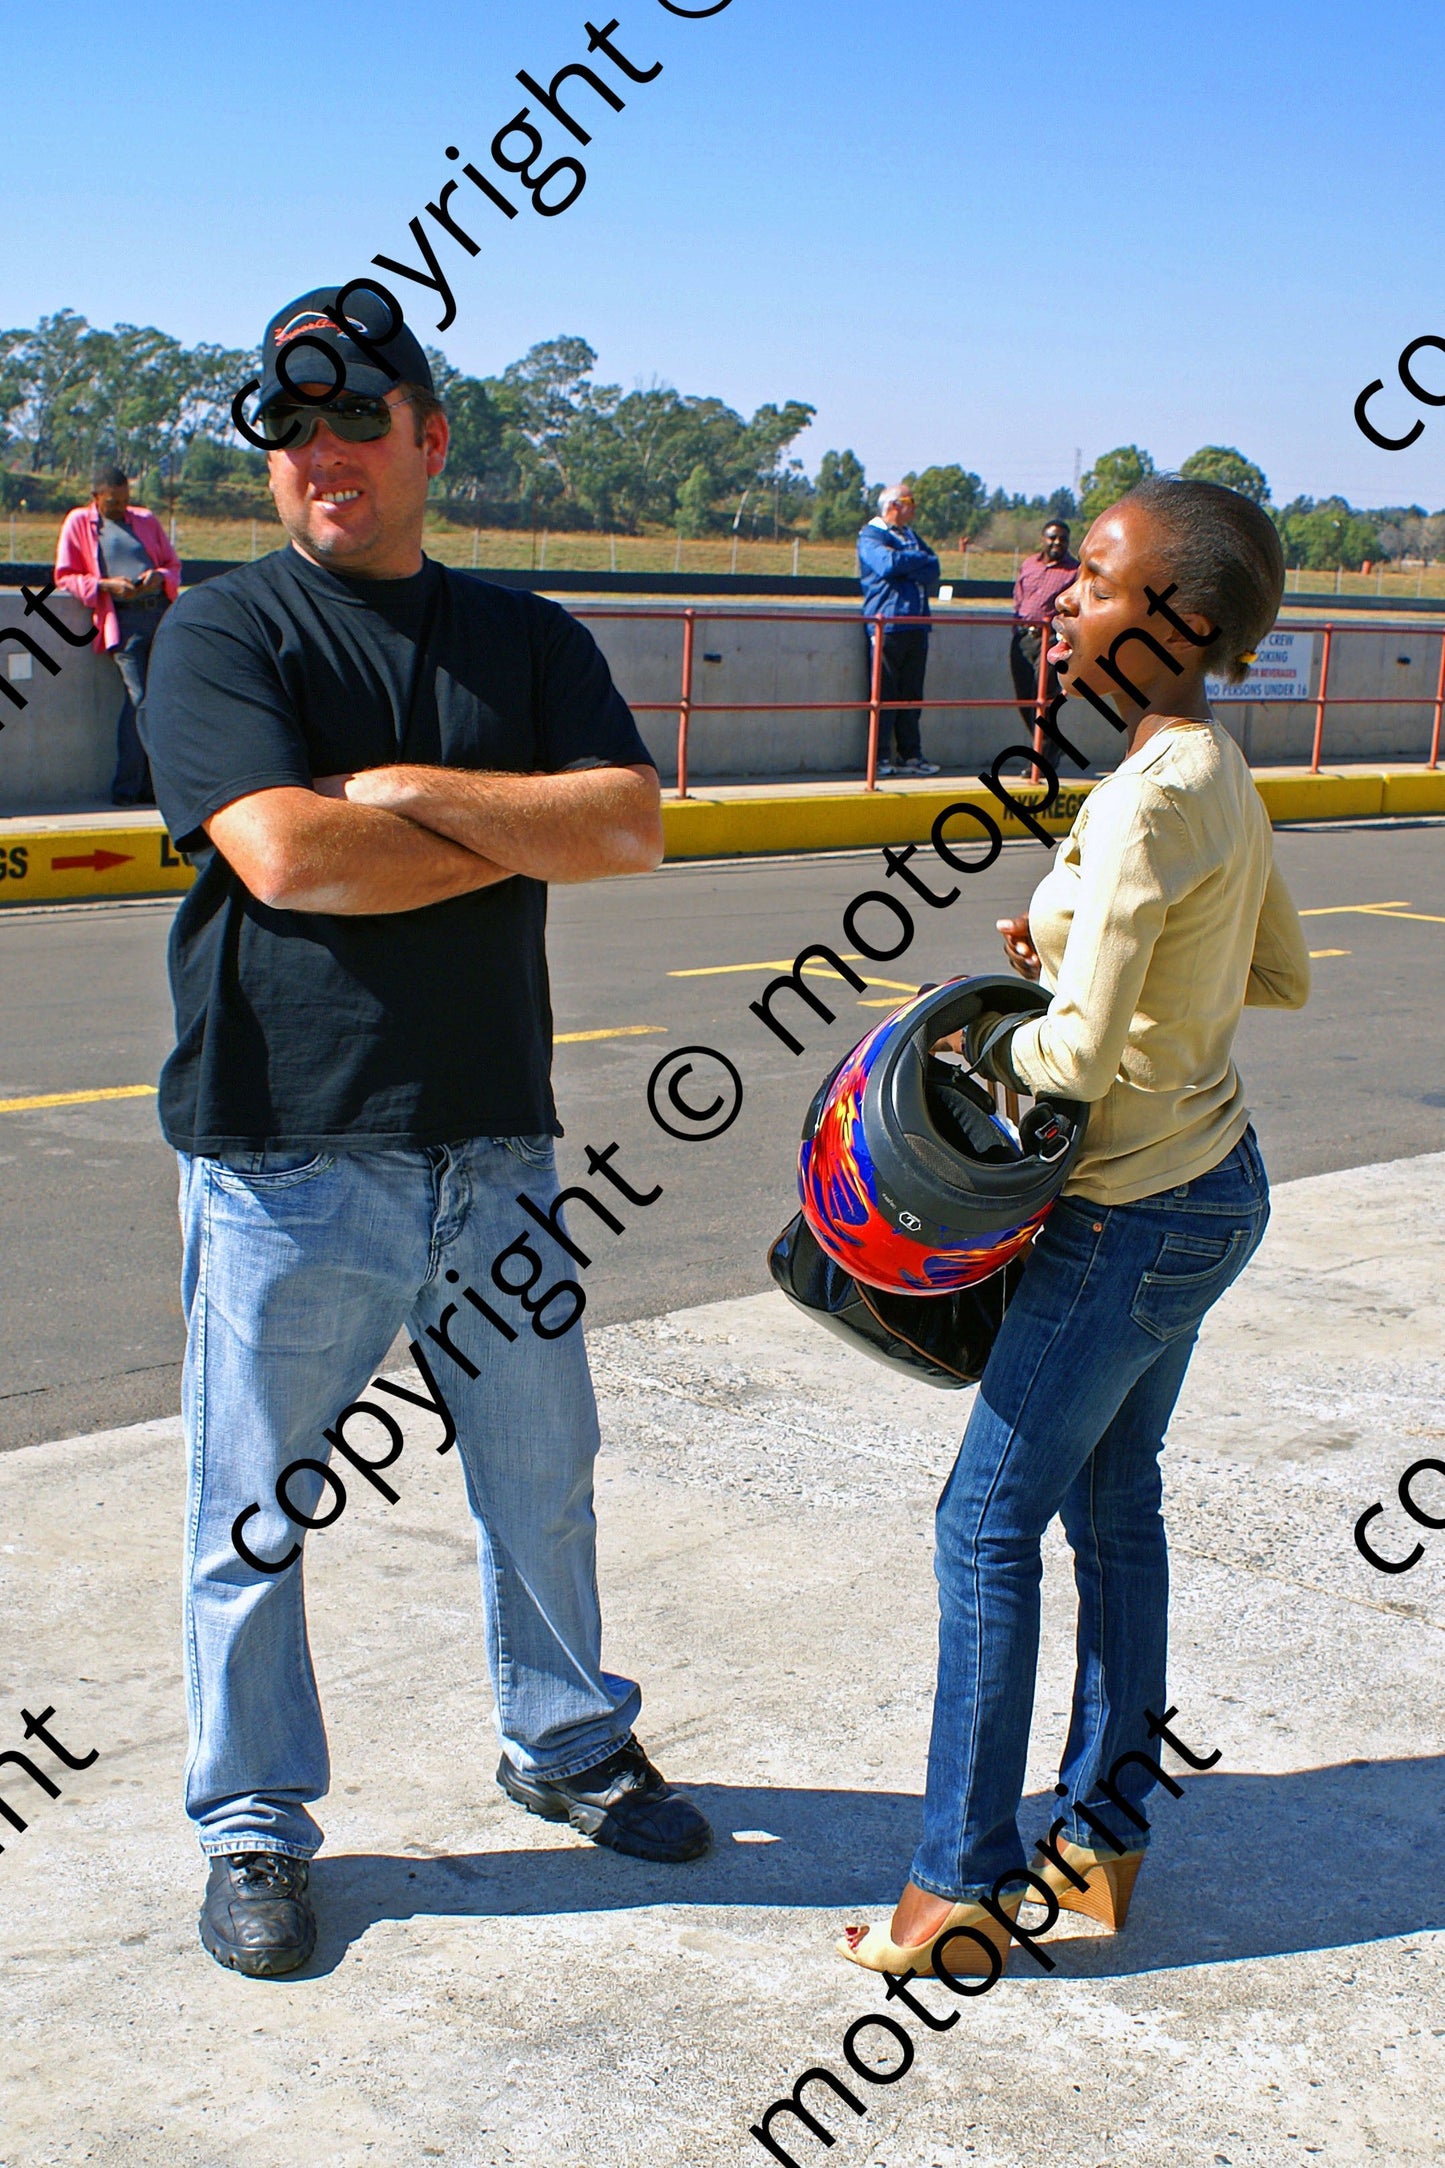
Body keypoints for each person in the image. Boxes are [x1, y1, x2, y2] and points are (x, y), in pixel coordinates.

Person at [139, 284, 711, 1981]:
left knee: (542, 1477)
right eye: (291, 430)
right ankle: (252, 1820)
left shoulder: (525, 638)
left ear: (426, 437)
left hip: (496, 1144)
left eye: (356, 420)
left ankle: (567, 1740)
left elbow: (627, 826)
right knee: (251, 1508)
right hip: (286, 1148)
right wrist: (507, 831)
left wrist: (401, 794)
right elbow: (293, 862)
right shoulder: (222, 633)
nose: (322, 453)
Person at [838, 476, 1310, 1980]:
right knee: (1114, 1509)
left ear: (1172, 619)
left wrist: (987, 1041)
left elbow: (1075, 1062)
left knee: (981, 1523)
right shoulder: (1216, 771)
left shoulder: (1138, 799)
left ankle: (952, 1884)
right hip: (1214, 1186)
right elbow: (1278, 972)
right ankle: (1102, 1840)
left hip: (1122, 1219)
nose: (1056, 600)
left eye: (1092, 578)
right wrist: (1072, 932)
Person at [55, 463, 181, 805]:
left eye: (124, 501)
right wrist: (106, 586)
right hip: (121, 622)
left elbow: (173, 565)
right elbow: (65, 576)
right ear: (95, 498)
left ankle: (152, 788)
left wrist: (157, 576)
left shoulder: (145, 519)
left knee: (161, 703)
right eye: (112, 503)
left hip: (157, 616)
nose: (120, 508)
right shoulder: (79, 523)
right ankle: (127, 788)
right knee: (139, 698)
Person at [857, 482, 941, 777]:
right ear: (894, 505)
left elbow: (934, 567)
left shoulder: (910, 536)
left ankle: (911, 756)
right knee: (884, 694)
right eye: (910, 500)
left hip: (917, 625)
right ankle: (879, 758)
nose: (914, 506)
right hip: (887, 625)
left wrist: (912, 562)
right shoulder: (871, 535)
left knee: (911, 695)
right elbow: (887, 564)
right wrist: (916, 561)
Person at [1010, 518, 1079, 731]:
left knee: (1044, 698)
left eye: (1063, 539)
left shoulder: (1075, 571)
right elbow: (1018, 597)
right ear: (1043, 539)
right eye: (1052, 537)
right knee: (1024, 698)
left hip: (1050, 639)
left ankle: (1044, 758)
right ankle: (1043, 752)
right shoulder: (1029, 564)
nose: (1057, 542)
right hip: (1022, 638)